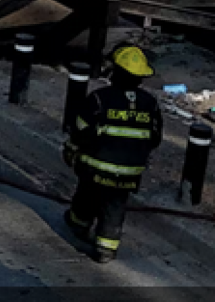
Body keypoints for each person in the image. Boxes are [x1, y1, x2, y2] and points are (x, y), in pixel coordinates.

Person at [65, 43, 164, 263]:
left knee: (87, 194)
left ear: (115, 72)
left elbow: (80, 130)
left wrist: (71, 150)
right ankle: (106, 248)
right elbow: (155, 139)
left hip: (95, 166)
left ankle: (78, 224)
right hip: (130, 172)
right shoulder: (151, 104)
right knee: (115, 206)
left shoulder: (99, 98)